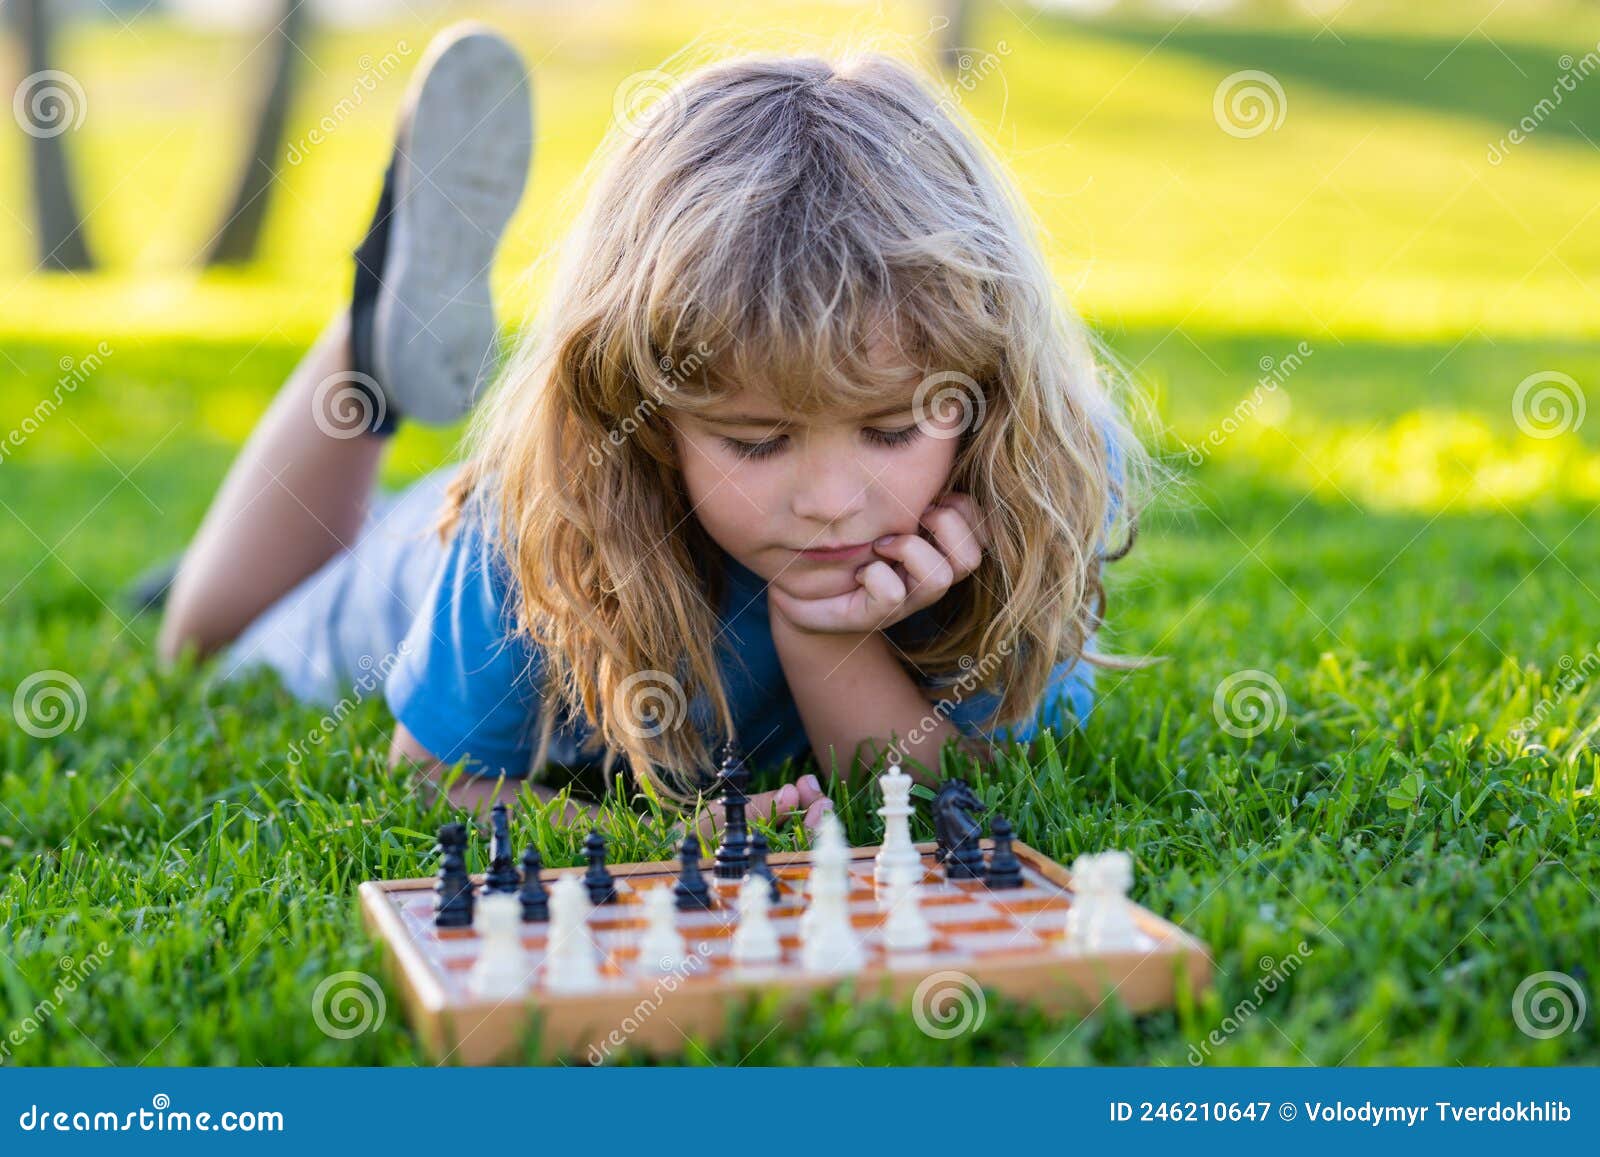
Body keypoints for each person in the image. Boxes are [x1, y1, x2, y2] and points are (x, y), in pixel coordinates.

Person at [155, 24, 1142, 836]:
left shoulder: (1031, 480)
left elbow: (944, 801)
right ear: (639, 411)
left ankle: (384, 337)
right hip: (415, 572)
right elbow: (433, 774)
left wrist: (821, 633)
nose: (832, 499)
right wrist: (653, 839)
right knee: (202, 641)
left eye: (890, 430)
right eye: (757, 441)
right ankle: (372, 335)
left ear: (981, 392)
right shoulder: (546, 509)